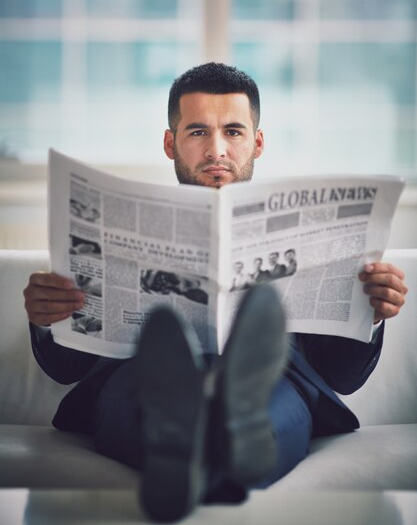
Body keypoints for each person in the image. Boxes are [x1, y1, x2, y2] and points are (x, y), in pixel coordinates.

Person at [23, 63, 408, 522]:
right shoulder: (113, 228)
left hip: (272, 382)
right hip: (141, 378)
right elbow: (68, 369)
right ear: (171, 144)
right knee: (151, 401)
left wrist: (373, 311)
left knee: (266, 405)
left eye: (233, 131)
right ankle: (226, 440)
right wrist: (47, 317)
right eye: (199, 131)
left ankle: (200, 446)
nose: (217, 150)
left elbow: (343, 377)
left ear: (257, 143)